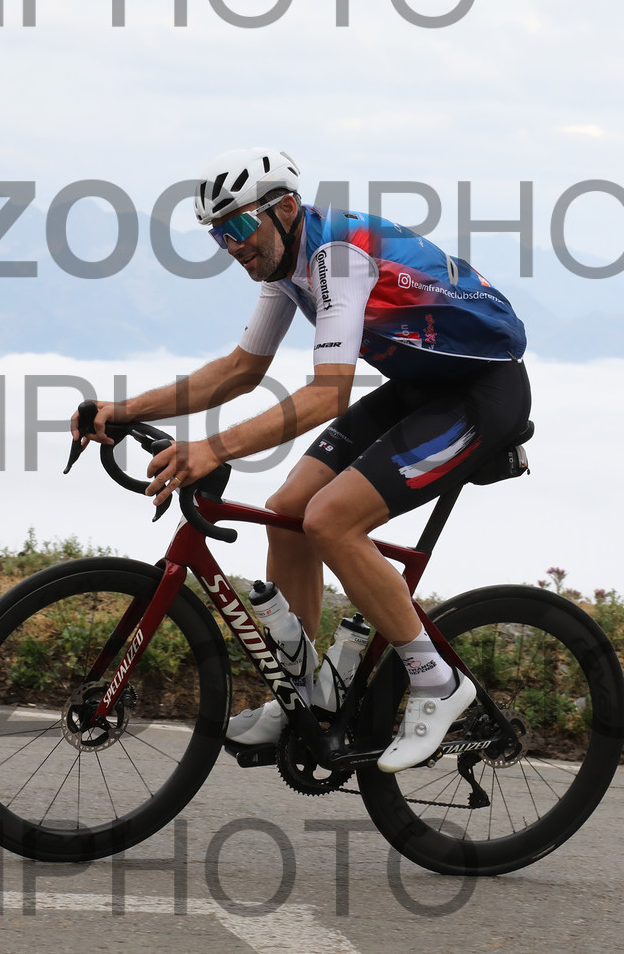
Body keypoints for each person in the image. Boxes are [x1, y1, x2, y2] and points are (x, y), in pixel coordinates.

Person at [70, 148, 529, 773]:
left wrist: (211, 448)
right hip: (418, 388)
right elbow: (239, 370)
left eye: (238, 225)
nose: (231, 245)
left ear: (285, 209)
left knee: (331, 519)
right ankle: (306, 696)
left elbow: (327, 395)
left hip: (481, 393)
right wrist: (124, 410)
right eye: (217, 234)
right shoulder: (284, 266)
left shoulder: (336, 258)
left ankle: (438, 682)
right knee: (287, 512)